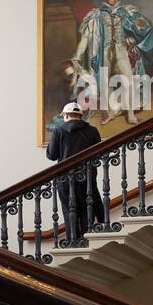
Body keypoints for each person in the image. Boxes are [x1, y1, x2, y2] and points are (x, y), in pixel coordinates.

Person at [71, 0, 153, 126]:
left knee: (129, 81)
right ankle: (110, 113)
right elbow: (86, 38)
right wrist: (78, 55)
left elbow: (142, 27)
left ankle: (131, 115)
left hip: (121, 51)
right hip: (104, 52)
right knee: (105, 83)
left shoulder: (127, 13)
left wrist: (133, 39)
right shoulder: (96, 16)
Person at [46, 101, 104, 245]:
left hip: (65, 178)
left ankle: (73, 240)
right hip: (87, 176)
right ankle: (87, 239)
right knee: (87, 208)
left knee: (68, 209)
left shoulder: (59, 130)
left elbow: (52, 155)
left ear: (65, 115)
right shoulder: (92, 130)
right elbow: (99, 154)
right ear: (81, 115)